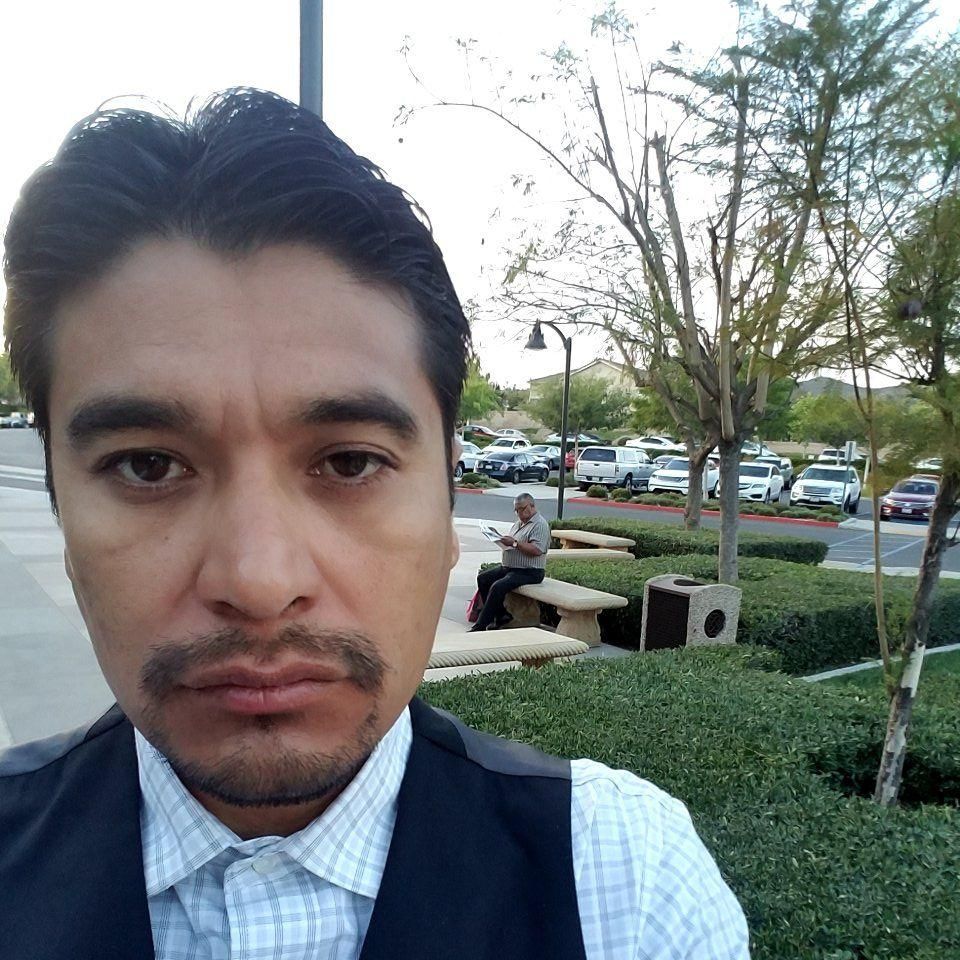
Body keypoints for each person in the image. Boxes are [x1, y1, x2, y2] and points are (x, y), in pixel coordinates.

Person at [0, 89, 749, 959]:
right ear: (60, 503)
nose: (259, 582)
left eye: (351, 462)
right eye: (147, 465)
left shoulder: (627, 888)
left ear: (446, 493)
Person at [470, 493, 549, 631]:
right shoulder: (519, 523)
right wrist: (499, 537)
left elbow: (537, 550)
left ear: (531, 506)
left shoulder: (539, 525)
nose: (518, 513)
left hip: (529, 571)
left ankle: (480, 625)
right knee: (483, 578)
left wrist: (514, 543)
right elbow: (513, 542)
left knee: (497, 587)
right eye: (516, 510)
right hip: (510, 568)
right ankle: (501, 615)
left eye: (521, 509)